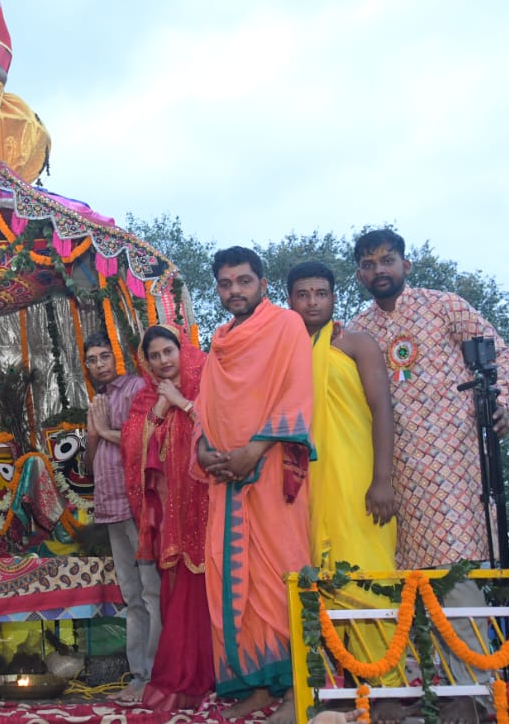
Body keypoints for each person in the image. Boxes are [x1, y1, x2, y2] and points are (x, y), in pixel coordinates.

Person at [348, 229, 509, 722]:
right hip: (386, 475)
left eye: (387, 260)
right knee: (402, 587)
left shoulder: (444, 306)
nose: (379, 270)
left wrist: (500, 404)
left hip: (452, 468)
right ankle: (416, 692)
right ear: (359, 274)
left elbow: (497, 355)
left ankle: (474, 695)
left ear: (406, 264)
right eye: (368, 264)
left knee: (456, 579)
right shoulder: (357, 329)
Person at [194, 247, 313, 723]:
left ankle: (299, 692)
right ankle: (260, 688)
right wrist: (205, 451)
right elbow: (205, 404)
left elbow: (296, 391)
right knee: (232, 580)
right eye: (225, 284)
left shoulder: (286, 325)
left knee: (282, 576)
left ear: (262, 284)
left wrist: (254, 450)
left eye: (243, 281)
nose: (234, 291)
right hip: (225, 479)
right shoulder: (220, 340)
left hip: (271, 471)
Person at [288, 262, 403, 716]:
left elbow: (382, 410)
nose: (312, 302)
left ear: (334, 298)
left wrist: (382, 479)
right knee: (320, 582)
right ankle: (338, 693)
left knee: (369, 578)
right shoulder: (286, 350)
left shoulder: (356, 343)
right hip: (308, 484)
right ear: (290, 301)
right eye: (302, 294)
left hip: (358, 481)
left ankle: (387, 689)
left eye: (321, 293)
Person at [119, 326, 211, 709]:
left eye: (168, 351)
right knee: (177, 594)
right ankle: (187, 671)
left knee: (215, 590)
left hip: (211, 508)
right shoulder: (146, 398)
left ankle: (224, 675)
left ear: (181, 349)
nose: (162, 361)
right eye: (154, 356)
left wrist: (182, 403)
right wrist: (160, 408)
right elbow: (135, 451)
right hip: (174, 516)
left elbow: (224, 428)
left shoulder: (207, 380)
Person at [81, 332, 160, 704]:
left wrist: (103, 430)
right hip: (111, 506)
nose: (99, 365)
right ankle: (140, 675)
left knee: (150, 592)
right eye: (92, 359)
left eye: (104, 356)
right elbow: (89, 463)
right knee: (132, 596)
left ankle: (155, 676)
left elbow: (143, 441)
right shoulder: (100, 397)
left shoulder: (134, 388)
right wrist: (93, 433)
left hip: (137, 505)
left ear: (118, 357)